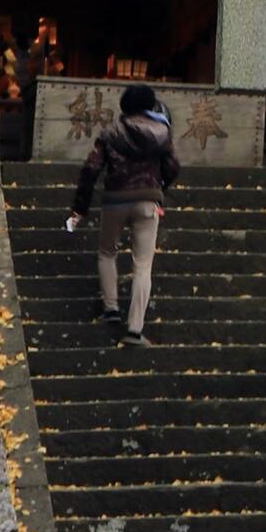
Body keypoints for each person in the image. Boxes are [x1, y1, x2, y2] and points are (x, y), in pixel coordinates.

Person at [67, 83, 180, 340]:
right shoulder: (162, 132)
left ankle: (111, 308)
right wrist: (160, 186)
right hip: (148, 201)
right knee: (143, 264)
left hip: (114, 200)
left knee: (107, 252)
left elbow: (90, 169)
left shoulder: (110, 132)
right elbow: (173, 166)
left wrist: (79, 208)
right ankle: (135, 328)